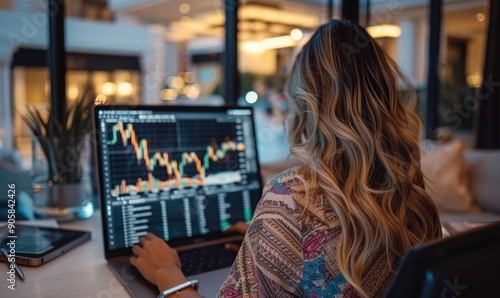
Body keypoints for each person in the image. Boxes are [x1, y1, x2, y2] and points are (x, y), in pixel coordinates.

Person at [130, 19, 442, 298]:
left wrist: (166, 274)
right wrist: (271, 235)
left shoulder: (292, 197)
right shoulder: (413, 195)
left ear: (305, 100)